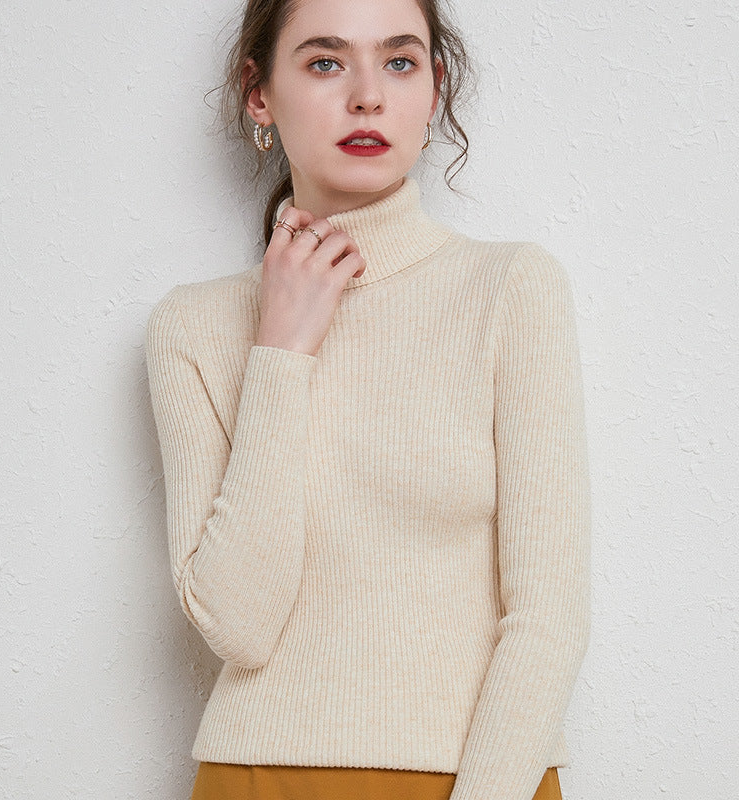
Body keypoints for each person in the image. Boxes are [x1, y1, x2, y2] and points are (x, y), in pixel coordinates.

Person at [145, 0, 592, 798]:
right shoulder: (194, 326)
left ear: (435, 88)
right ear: (258, 93)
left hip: (481, 780)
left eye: (399, 61)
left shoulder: (510, 289)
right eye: (325, 62)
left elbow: (549, 617)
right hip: (259, 778)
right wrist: (281, 351)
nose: (368, 96)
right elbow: (239, 626)